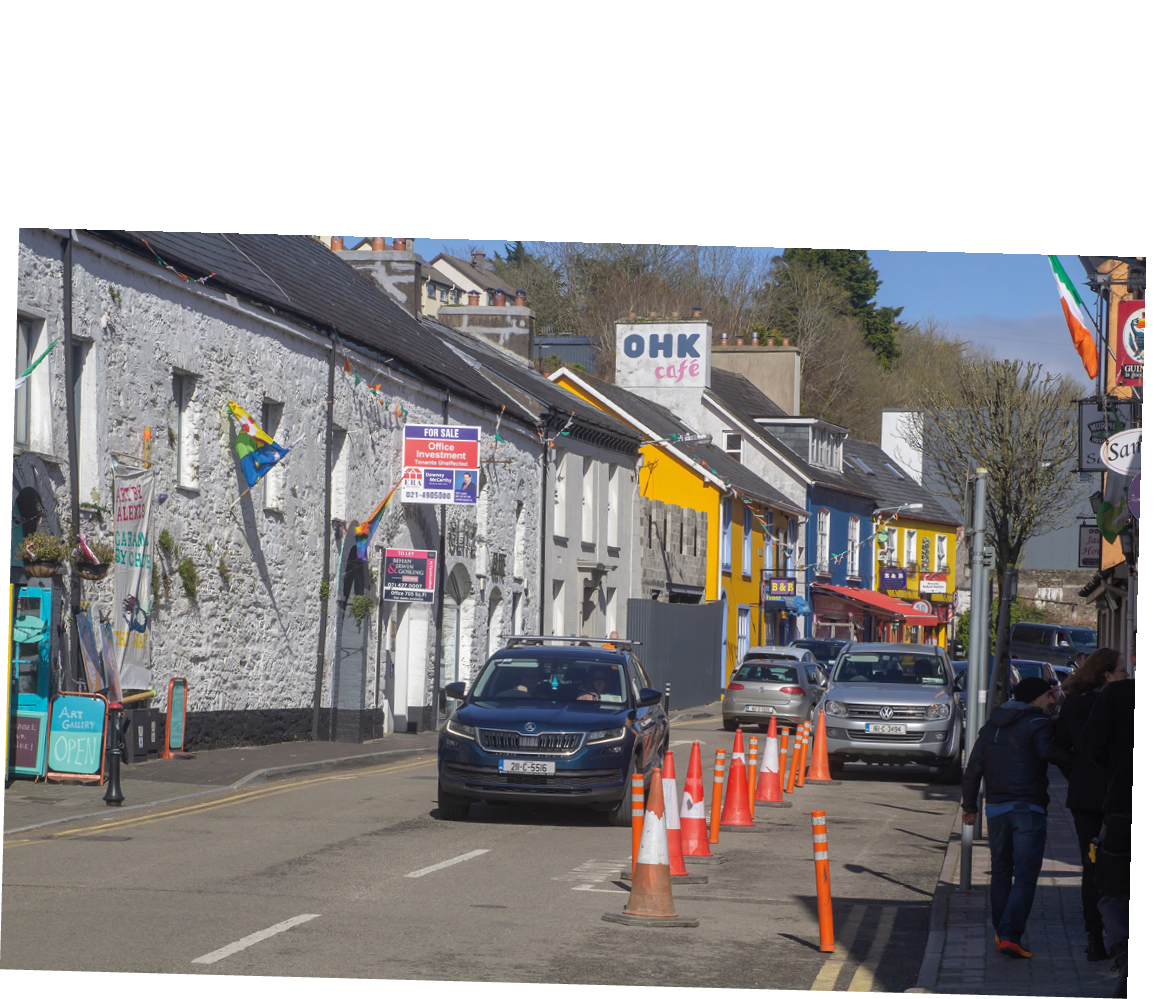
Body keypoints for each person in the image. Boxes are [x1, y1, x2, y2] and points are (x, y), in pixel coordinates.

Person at [961, 676, 1071, 959]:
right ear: (1034, 698)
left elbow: (974, 768)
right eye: (1048, 695)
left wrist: (970, 806)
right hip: (1028, 809)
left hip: (996, 810)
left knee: (1000, 872)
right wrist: (1076, 757)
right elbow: (1047, 753)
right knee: (1024, 875)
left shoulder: (989, 729)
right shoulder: (1037, 723)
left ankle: (1001, 933)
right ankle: (1010, 935)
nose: (1051, 700)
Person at [1053, 648, 1127, 962]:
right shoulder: (1120, 701)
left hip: (1085, 796)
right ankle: (1114, 936)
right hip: (1116, 796)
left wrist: (1077, 773)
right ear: (1107, 674)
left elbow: (1057, 748)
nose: (1126, 675)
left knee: (1091, 865)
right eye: (1122, 670)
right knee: (1115, 866)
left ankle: (1094, 937)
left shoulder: (1073, 704)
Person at [1081, 673, 1134, 999]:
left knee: (1113, 891)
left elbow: (1091, 745)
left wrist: (1118, 770)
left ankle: (1125, 949)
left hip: (1123, 809)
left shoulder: (1117, 695)